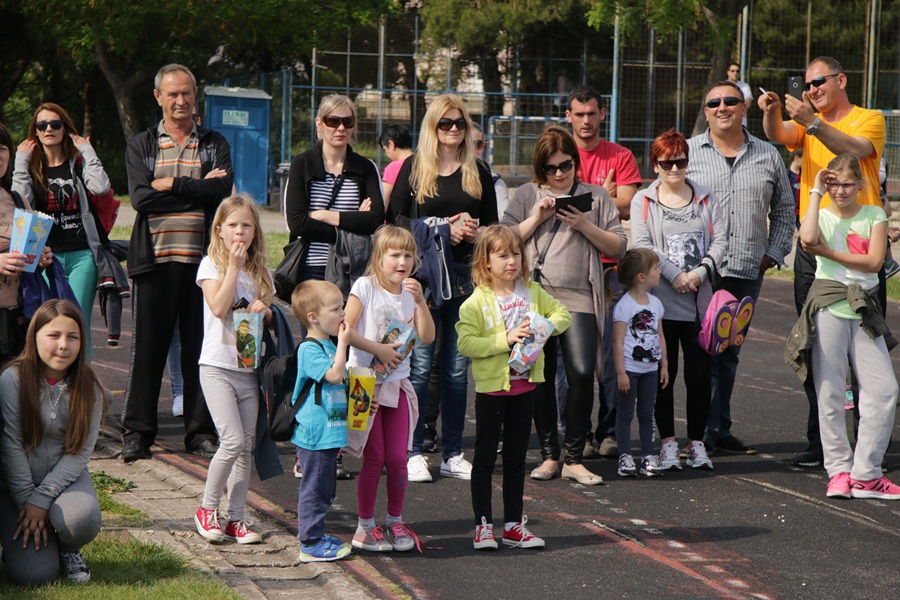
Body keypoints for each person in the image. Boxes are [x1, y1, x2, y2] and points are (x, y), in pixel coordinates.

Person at [759, 56, 886, 468]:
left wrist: (812, 122)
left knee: (865, 352)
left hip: (859, 248)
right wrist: (775, 109)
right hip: (815, 248)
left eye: (819, 82)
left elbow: (854, 149)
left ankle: (868, 447)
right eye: (808, 84)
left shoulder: (869, 118)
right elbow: (778, 133)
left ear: (841, 80)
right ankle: (823, 443)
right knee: (819, 352)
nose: (812, 89)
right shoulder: (808, 123)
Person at [502, 125, 626, 485]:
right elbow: (503, 240)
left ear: (575, 162)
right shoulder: (527, 194)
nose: (559, 174)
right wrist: (537, 217)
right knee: (538, 375)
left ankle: (574, 455)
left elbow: (618, 247)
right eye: (551, 168)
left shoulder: (597, 196)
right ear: (541, 168)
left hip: (580, 298)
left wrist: (585, 224)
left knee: (582, 372)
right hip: (536, 299)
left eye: (566, 166)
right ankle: (550, 455)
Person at [122, 63, 233, 462]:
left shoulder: (214, 141)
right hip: (154, 261)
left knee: (200, 352)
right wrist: (198, 189)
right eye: (173, 94)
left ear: (195, 94)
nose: (181, 100)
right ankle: (137, 433)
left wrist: (172, 184)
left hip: (203, 266)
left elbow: (222, 191)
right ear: (158, 97)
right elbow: (140, 199)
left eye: (187, 93)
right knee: (148, 352)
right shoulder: (142, 144)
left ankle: (200, 432)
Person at [388, 94, 499, 483]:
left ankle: (452, 452)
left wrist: (474, 230)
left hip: (466, 278)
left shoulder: (478, 170)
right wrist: (440, 227)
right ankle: (413, 450)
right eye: (445, 123)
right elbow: (395, 223)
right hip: (423, 280)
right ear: (432, 127)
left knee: (456, 370)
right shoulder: (414, 168)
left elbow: (493, 227)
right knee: (418, 367)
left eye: (460, 124)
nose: (453, 130)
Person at [686, 81, 794, 456]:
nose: (722, 107)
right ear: (706, 111)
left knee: (727, 351)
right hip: (700, 270)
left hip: (747, 267)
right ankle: (697, 434)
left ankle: (718, 430)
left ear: (744, 107)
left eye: (730, 101)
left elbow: (784, 211)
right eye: (713, 102)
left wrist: (772, 255)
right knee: (699, 351)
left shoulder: (767, 154)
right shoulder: (687, 154)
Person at [788, 153, 899, 500]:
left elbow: (873, 262)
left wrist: (828, 252)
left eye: (847, 183)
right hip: (829, 308)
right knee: (830, 392)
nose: (840, 190)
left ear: (861, 185)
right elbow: (806, 238)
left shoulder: (874, 215)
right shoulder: (820, 214)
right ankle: (838, 470)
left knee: (883, 391)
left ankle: (866, 474)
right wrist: (815, 191)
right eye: (833, 182)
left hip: (864, 308)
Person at [285, 93, 383, 480]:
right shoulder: (303, 164)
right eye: (332, 121)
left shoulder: (363, 167)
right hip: (311, 273)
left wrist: (325, 214)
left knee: (346, 358)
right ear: (319, 124)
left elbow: (376, 220)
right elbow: (296, 222)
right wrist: (348, 218)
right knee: (315, 361)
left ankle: (336, 446)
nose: (340, 128)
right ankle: (305, 444)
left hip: (352, 271)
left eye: (347, 122)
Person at [457, 224, 571, 550]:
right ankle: (483, 527)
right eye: (502, 255)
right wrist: (504, 339)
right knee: (483, 461)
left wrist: (542, 328)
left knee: (516, 460)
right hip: (492, 391)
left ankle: (511, 526)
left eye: (516, 254)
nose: (511, 261)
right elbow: (466, 343)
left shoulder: (532, 291)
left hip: (525, 389)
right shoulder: (475, 302)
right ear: (485, 262)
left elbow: (562, 314)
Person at [631, 129, 726, 472]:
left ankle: (697, 442)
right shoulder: (643, 200)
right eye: (667, 163)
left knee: (700, 376)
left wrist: (699, 273)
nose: (674, 169)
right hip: (659, 303)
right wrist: (674, 274)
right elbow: (642, 244)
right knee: (662, 376)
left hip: (699, 304)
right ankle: (668, 442)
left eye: (680, 162)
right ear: (655, 164)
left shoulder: (705, 197)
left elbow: (720, 242)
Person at [342, 225, 435, 553]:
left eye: (408, 255)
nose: (403, 261)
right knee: (374, 457)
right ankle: (364, 526)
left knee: (398, 457)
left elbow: (427, 337)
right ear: (379, 258)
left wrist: (421, 302)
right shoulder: (364, 286)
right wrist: (378, 349)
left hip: (397, 383)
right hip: (365, 383)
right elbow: (345, 329)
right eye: (394, 254)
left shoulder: (412, 292)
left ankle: (395, 520)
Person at [0, 299, 104, 585]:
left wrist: (43, 499)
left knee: (82, 519)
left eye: (73, 337)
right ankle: (20, 546)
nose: (63, 345)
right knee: (34, 576)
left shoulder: (90, 386)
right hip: (16, 489)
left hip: (65, 482)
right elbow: (11, 445)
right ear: (34, 337)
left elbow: (81, 452)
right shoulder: (13, 379)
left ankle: (69, 548)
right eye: (53, 335)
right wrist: (27, 503)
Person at [565, 85, 643, 459]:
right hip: (567, 271)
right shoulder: (559, 154)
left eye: (591, 113)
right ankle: (571, 432)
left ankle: (608, 432)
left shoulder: (621, 155)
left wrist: (592, 196)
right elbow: (553, 200)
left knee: (614, 358)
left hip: (610, 270)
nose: (585, 121)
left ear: (601, 114)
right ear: (568, 117)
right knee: (569, 360)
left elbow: (626, 206)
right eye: (578, 114)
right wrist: (603, 196)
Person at [193, 195, 274, 546]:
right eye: (233, 225)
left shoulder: (261, 274)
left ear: (255, 231)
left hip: (248, 370)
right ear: (219, 230)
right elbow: (219, 306)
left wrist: (266, 311)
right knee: (232, 440)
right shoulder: (211, 265)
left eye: (246, 225)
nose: (240, 231)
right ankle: (207, 509)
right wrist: (234, 269)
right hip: (216, 367)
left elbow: (269, 321)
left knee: (246, 449)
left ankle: (236, 518)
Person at [12, 102, 112, 356]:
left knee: (77, 322)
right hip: (45, 257)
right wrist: (21, 162)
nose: (49, 129)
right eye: (42, 125)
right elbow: (20, 204)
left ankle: (81, 388)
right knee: (47, 324)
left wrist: (88, 151)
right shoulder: (33, 167)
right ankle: (49, 385)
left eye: (55, 124)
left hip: (82, 256)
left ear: (65, 128)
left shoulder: (77, 163)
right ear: (35, 131)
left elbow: (100, 188)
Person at [290, 279, 353, 563]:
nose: (343, 313)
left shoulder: (327, 345)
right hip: (315, 434)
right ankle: (310, 543)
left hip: (330, 432)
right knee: (315, 489)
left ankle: (316, 534)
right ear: (313, 317)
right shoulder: (310, 348)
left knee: (325, 488)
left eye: (342, 306)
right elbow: (334, 376)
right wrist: (344, 344)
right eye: (336, 308)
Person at [611, 248, 669, 477]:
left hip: (650, 370)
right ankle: (625, 456)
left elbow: (660, 336)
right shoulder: (624, 306)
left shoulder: (656, 304)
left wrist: (664, 365)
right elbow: (617, 343)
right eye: (656, 268)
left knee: (646, 414)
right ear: (641, 277)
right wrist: (621, 372)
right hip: (630, 370)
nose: (660, 271)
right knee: (625, 414)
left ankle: (648, 456)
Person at [0, 122, 54, 366]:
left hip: (16, 319)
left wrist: (41, 258)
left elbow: (31, 256)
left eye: (2, 148)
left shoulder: (18, 199)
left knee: (15, 396)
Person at [472, 123, 510, 217]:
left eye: (477, 144)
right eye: (466, 144)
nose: (471, 150)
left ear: (483, 147)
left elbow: (504, 219)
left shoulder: (495, 183)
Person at [379, 124, 414, 204]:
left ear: (391, 144)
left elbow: (383, 200)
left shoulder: (393, 167)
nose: (386, 154)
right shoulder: (422, 163)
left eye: (385, 149)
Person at [789, 149, 803, 228]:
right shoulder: (786, 175)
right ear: (796, 158)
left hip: (802, 211)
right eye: (803, 159)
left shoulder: (804, 175)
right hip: (790, 212)